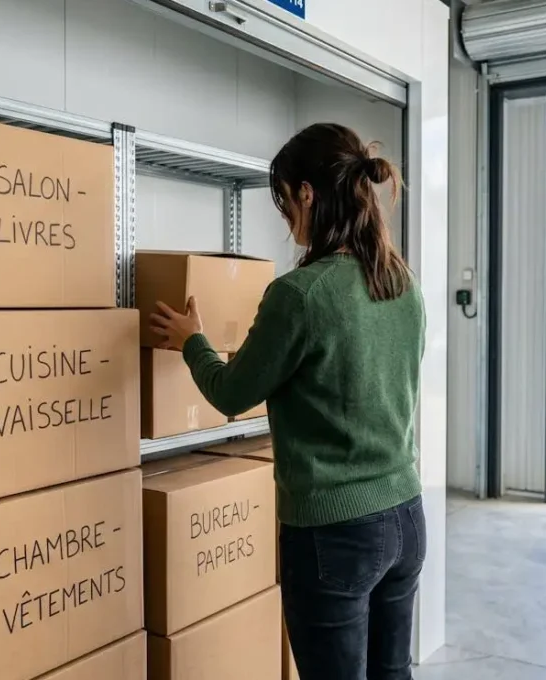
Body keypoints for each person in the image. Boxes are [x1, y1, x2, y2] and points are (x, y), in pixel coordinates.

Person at [149, 122, 426, 680]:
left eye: (284, 204)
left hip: (335, 533)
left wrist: (192, 341)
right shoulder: (402, 283)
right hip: (406, 517)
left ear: (306, 193)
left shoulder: (300, 296)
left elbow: (232, 394)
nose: (287, 221)